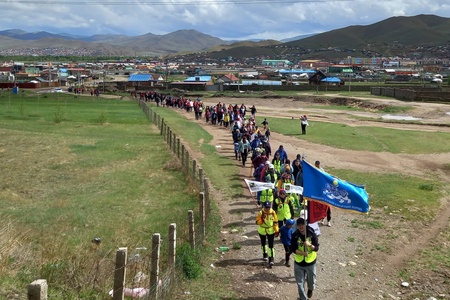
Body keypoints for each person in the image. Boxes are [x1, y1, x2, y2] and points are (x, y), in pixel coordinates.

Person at [290, 217, 319, 300]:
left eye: (302, 225)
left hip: (310, 262)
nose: (301, 227)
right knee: (300, 283)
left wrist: (310, 245)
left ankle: (310, 289)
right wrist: (302, 253)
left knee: (311, 280)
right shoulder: (295, 235)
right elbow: (293, 249)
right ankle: (303, 298)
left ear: (305, 224)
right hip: (299, 262)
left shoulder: (312, 234)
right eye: (299, 225)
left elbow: (316, 248)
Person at [256, 201, 279, 266]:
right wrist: (262, 220)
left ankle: (271, 258)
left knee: (271, 245)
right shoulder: (260, 213)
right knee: (263, 243)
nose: (267, 209)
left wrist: (276, 230)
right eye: (266, 207)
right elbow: (257, 222)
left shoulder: (273, 212)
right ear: (264, 207)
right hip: (262, 230)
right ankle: (265, 254)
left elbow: (275, 222)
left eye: (269, 207)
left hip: (270, 230)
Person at [315, 161, 331, 227]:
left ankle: (329, 221)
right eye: (316, 165)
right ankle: (322, 219)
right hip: (320, 195)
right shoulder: (314, 170)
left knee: (328, 209)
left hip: (326, 197)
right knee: (322, 208)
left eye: (318, 165)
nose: (317, 165)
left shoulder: (322, 171)